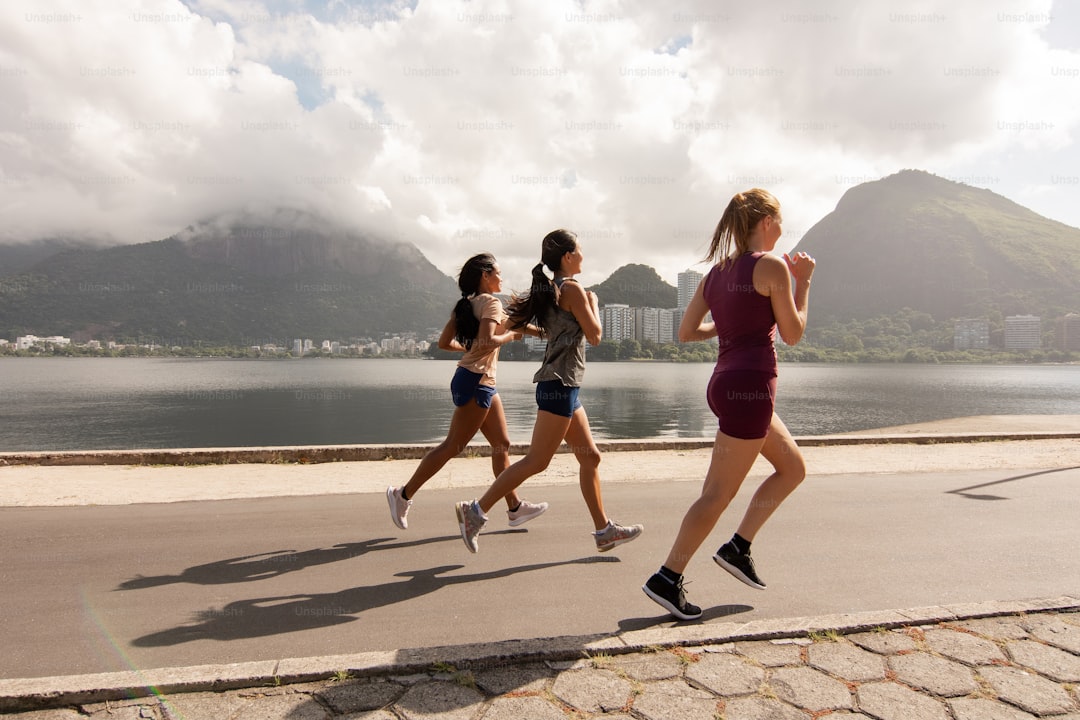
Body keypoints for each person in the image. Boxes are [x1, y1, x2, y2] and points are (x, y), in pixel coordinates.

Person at [642, 189, 816, 620]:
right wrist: (805, 283)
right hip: (752, 387)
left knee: (792, 467)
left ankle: (738, 548)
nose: (783, 228)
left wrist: (728, 326)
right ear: (766, 221)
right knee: (717, 494)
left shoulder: (715, 275)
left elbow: (686, 331)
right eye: (780, 220)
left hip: (724, 383)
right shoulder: (773, 267)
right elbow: (793, 334)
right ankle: (667, 575)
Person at [454, 229, 643, 553]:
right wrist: (595, 303)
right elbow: (595, 335)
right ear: (567, 257)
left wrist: (541, 334)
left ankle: (603, 531)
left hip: (564, 384)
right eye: (580, 250)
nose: (583, 255)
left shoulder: (551, 289)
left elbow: (516, 322)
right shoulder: (572, 289)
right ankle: (476, 511)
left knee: (590, 457)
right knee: (537, 461)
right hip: (560, 385)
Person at [386, 253, 548, 530]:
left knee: (502, 445)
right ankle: (402, 495)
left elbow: (444, 343)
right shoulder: (491, 303)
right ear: (485, 275)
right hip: (476, 381)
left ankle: (515, 508)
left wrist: (550, 333)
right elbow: (490, 339)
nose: (501, 277)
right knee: (453, 445)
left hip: (475, 379)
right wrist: (507, 338)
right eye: (497, 272)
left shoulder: (467, 304)